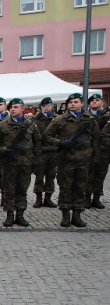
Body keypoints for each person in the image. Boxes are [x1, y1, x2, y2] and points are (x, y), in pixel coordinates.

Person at [43, 93, 100, 228]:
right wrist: (61, 143)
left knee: (80, 187)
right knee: (65, 187)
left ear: (81, 103)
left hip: (83, 160)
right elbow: (46, 136)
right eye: (70, 102)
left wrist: (95, 160)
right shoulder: (60, 119)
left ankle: (77, 215)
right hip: (66, 160)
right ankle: (65, 215)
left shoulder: (90, 120)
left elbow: (97, 141)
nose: (72, 104)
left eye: (75, 102)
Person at [0, 98, 42, 227]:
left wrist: (35, 160)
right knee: (9, 190)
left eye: (16, 107)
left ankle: (20, 215)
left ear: (23, 109)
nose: (12, 109)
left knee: (22, 189)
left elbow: (38, 143)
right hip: (9, 164)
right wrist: (3, 150)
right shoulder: (2, 125)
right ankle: (9, 215)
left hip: (25, 163)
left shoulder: (30, 125)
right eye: (11, 107)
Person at [31, 97, 59, 208]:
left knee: (51, 175)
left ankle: (48, 198)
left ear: (52, 106)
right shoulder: (35, 119)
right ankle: (38, 198)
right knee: (39, 175)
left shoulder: (57, 119)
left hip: (53, 151)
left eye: (49, 105)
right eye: (44, 106)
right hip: (40, 151)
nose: (46, 107)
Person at [87, 94, 110, 209]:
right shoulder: (85, 116)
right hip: (89, 150)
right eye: (92, 100)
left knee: (100, 174)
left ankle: (97, 198)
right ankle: (86, 198)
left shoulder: (107, 116)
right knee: (87, 174)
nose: (94, 102)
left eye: (97, 100)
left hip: (104, 150)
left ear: (102, 102)